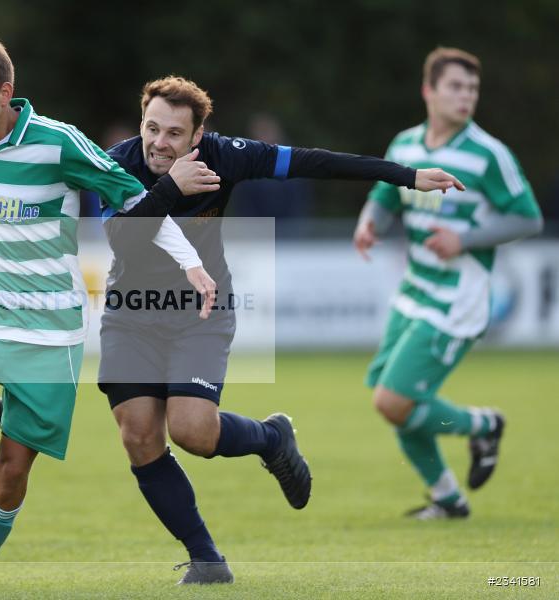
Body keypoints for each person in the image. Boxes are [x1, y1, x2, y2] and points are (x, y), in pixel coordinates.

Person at [99, 76, 466, 584]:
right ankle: (207, 560)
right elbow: (123, 241)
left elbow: (315, 162)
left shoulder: (224, 156)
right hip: (131, 315)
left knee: (193, 433)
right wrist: (171, 187)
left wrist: (407, 176)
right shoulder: (115, 164)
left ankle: (272, 439)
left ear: (198, 136)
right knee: (140, 436)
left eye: (174, 134)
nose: (159, 143)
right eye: (151, 128)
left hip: (200, 312)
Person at [0, 34, 218, 591]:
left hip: (49, 333)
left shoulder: (59, 144)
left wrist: (191, 262)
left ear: (6, 93)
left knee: (12, 470)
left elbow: (134, 199)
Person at [354, 47, 542, 519]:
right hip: (413, 290)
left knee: (393, 400)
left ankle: (484, 425)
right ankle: (448, 499)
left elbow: (528, 218)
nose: (466, 96)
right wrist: (369, 222)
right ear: (429, 91)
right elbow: (384, 194)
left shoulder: (488, 154)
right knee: (392, 401)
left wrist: (464, 239)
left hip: (459, 298)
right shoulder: (405, 146)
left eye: (472, 88)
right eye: (456, 86)